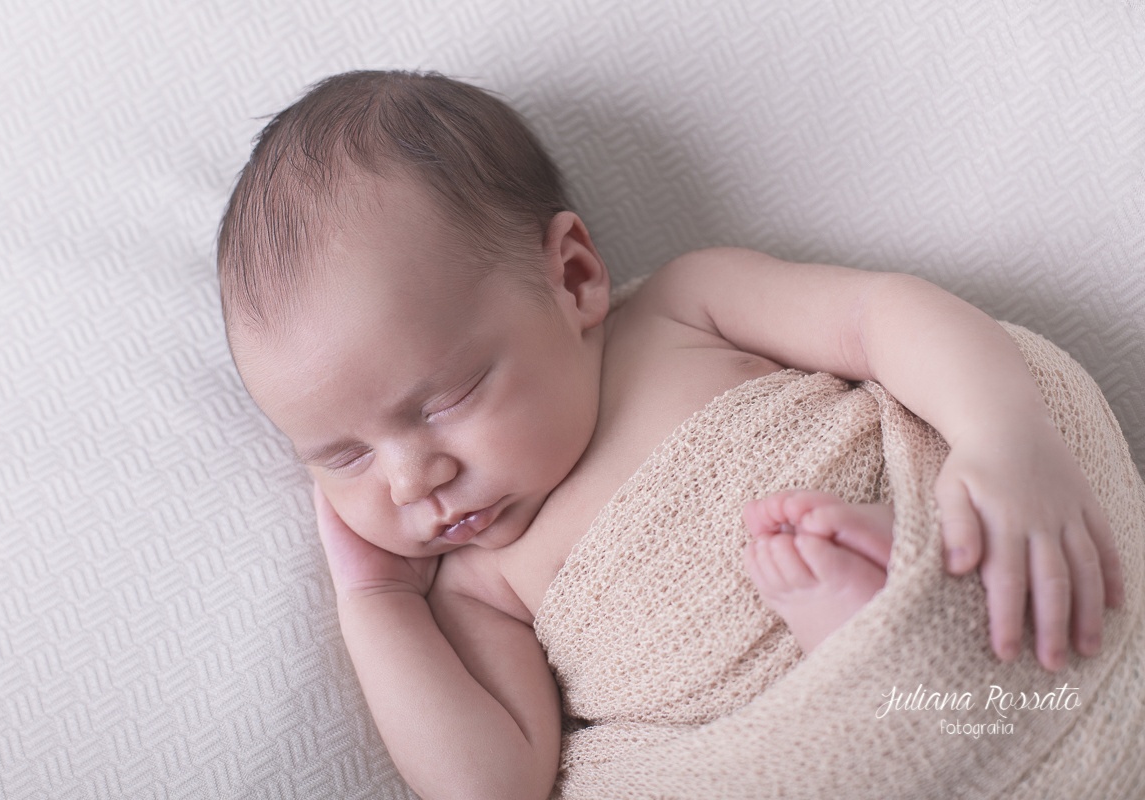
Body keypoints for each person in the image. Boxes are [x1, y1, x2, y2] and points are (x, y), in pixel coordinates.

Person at [216, 70, 1124, 800]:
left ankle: (908, 610)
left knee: (997, 462)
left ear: (573, 278)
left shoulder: (687, 310)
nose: (415, 481)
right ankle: (863, 663)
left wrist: (999, 435)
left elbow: (876, 316)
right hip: (768, 748)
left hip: (958, 604)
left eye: (445, 399)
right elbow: (493, 782)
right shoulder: (481, 584)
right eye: (345, 456)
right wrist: (377, 600)